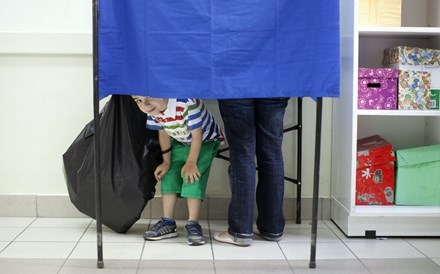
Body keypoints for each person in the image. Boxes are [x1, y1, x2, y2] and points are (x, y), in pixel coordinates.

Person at [133, 96, 224, 246]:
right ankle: (168, 222)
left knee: (192, 177)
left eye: (148, 98)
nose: (145, 105)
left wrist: (191, 162)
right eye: (138, 101)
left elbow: (197, 135)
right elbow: (163, 133)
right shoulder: (152, 110)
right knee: (168, 176)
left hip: (205, 141)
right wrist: (166, 161)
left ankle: (193, 223)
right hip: (181, 141)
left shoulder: (186, 103)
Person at [213, 98, 290, 246]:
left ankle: (240, 231)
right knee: (272, 153)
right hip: (275, 82)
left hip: (237, 83)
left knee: (243, 154)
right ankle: (272, 228)